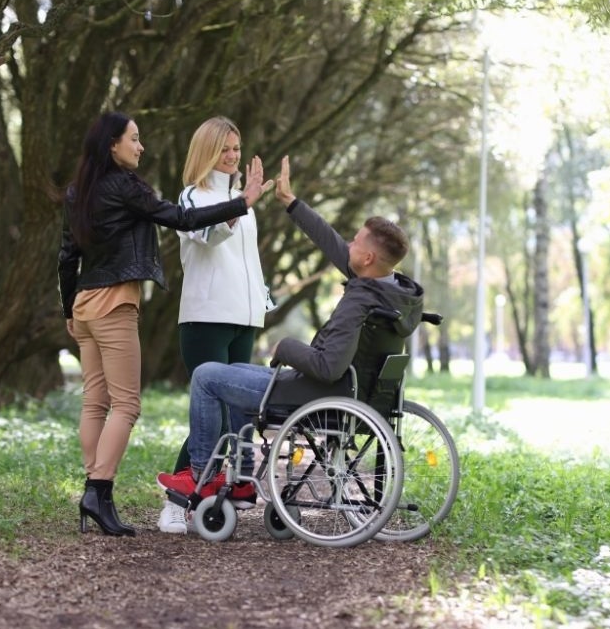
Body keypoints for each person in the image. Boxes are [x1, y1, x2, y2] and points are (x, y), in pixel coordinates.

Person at [156, 155, 424, 509]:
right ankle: (241, 479)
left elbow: (328, 365)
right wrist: (291, 202)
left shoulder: (361, 299)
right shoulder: (393, 292)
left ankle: (201, 474)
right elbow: (330, 241)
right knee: (234, 373)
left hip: (310, 392)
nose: (347, 244)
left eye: (355, 241)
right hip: (348, 395)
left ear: (369, 259)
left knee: (206, 376)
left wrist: (285, 346)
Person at [58, 111, 270, 537]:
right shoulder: (127, 186)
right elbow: (182, 220)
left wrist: (68, 309)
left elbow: (67, 255)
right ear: (112, 145)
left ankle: (94, 490)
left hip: (83, 303)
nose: (141, 147)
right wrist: (242, 202)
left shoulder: (79, 190)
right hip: (115, 300)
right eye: (134, 139)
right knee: (126, 406)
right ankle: (98, 489)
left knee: (95, 403)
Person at [158, 117, 272, 534]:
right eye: (224, 149)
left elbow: (247, 261)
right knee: (213, 415)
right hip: (206, 318)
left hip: (244, 318)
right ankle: (175, 501)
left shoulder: (245, 200)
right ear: (206, 152)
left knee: (241, 413)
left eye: (237, 149)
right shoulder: (193, 196)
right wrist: (243, 204)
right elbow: (207, 236)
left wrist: (260, 298)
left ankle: (229, 491)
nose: (232, 156)